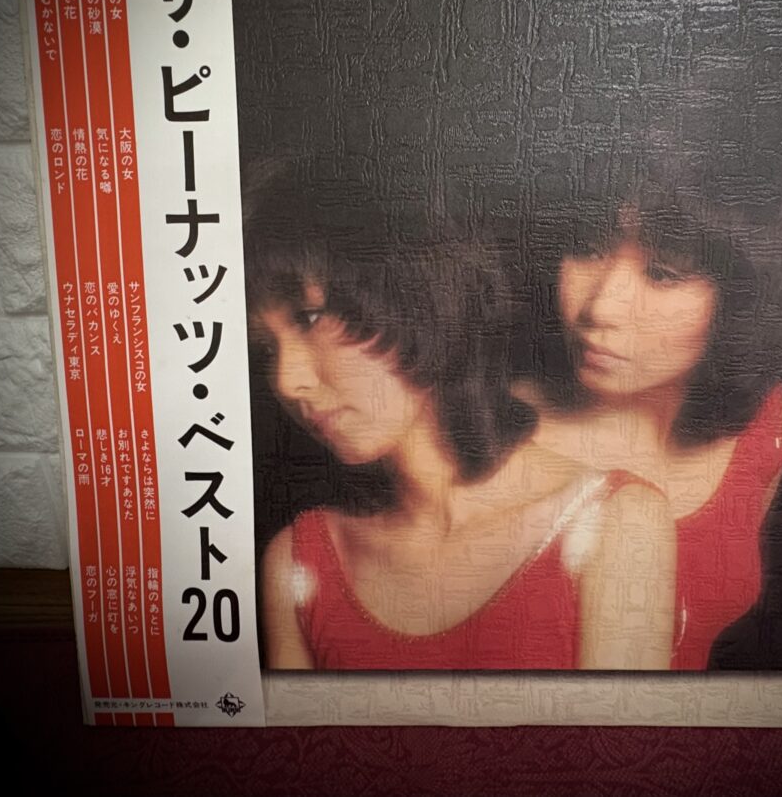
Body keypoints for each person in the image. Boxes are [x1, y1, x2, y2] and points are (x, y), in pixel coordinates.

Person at [243, 161, 674, 671]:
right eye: (267, 347)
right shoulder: (298, 561)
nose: (287, 380)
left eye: (309, 318)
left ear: (419, 293)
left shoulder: (615, 522)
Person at [521, 98, 782, 670]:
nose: (601, 306)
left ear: (742, 294)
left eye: (662, 273)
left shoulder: (766, 425)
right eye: (588, 247)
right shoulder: (488, 432)